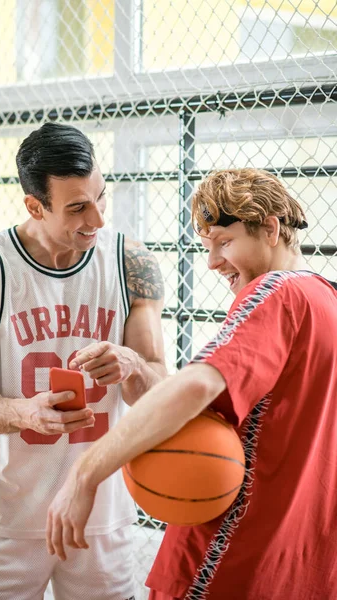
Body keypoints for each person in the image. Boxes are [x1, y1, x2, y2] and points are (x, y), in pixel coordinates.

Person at [45, 167, 337, 600]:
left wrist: (84, 475)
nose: (213, 261)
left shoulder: (276, 294)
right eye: (206, 247)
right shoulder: (327, 297)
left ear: (271, 229)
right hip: (301, 567)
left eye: (224, 242)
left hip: (230, 560)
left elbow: (198, 386)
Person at [0, 122, 166, 600]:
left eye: (101, 197)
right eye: (78, 208)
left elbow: (159, 388)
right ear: (34, 206)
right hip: (8, 516)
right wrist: (24, 411)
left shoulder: (132, 264)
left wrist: (132, 364)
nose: (98, 219)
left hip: (100, 514)